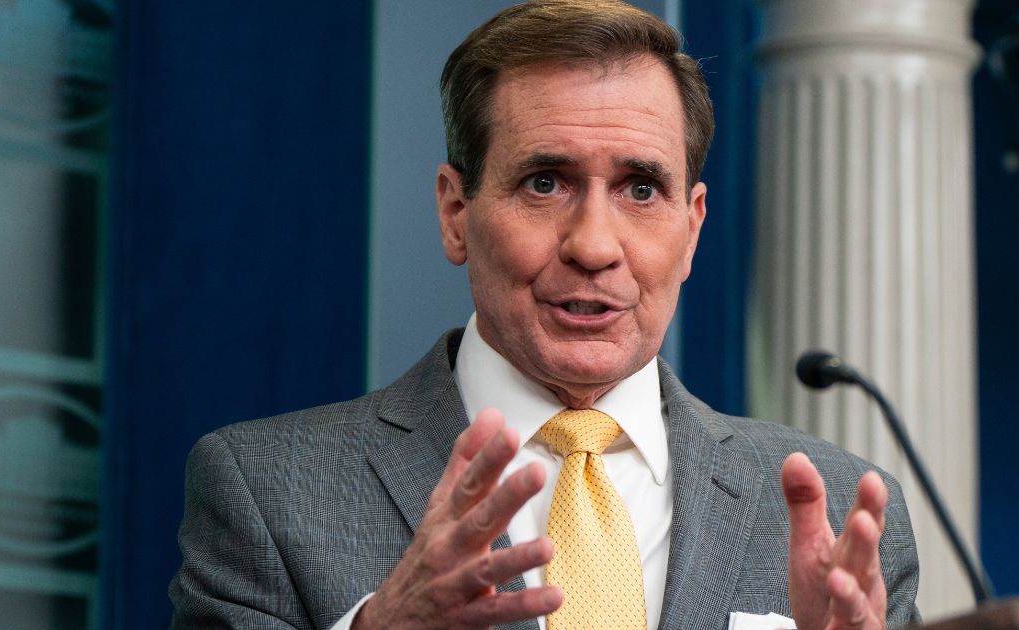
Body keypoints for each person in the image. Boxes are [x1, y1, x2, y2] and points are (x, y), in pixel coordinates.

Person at [169, 1, 921, 628]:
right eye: (544, 182)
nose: (594, 245)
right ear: (456, 212)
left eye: (640, 190)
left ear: (692, 229)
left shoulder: (846, 519)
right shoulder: (267, 489)